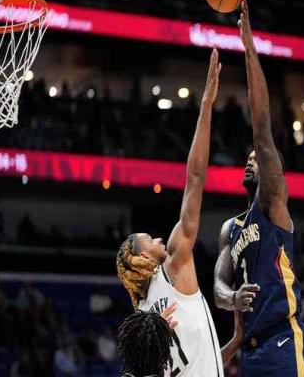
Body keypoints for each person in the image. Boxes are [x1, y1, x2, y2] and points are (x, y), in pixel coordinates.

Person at [213, 0, 304, 376]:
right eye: (249, 157)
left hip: (283, 338)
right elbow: (218, 287)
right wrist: (232, 298)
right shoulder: (230, 229)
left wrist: (249, 48)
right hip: (250, 353)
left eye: (258, 158)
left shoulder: (272, 204)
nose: (250, 159)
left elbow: (261, 127)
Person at [116, 49, 227, 376]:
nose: (159, 239)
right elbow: (195, 177)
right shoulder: (175, 263)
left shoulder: (143, 318)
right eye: (149, 239)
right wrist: (206, 105)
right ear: (142, 258)